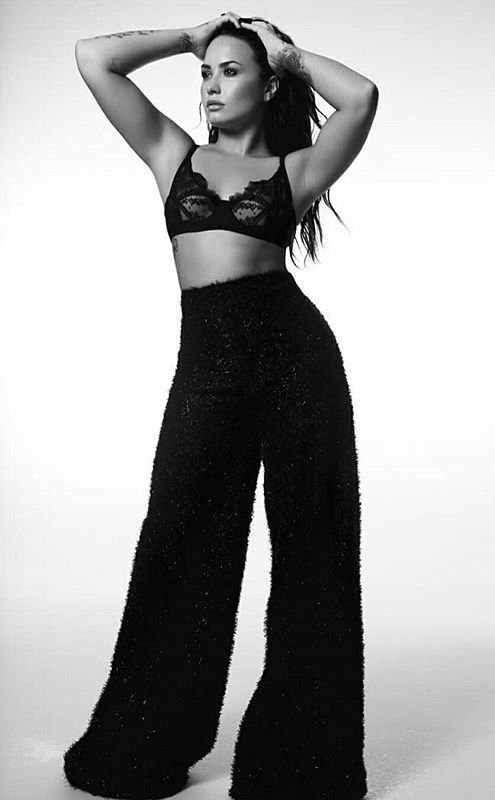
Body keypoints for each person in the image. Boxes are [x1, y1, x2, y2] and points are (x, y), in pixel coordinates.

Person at [63, 11, 378, 800]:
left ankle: (300, 762)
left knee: (313, 547)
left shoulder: (295, 171)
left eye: (230, 72)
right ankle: (145, 740)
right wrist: (193, 37)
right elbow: (94, 59)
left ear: (266, 85)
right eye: (206, 75)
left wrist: (285, 53)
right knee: (178, 537)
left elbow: (362, 98)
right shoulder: (172, 154)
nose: (210, 85)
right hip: (208, 363)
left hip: (295, 359)